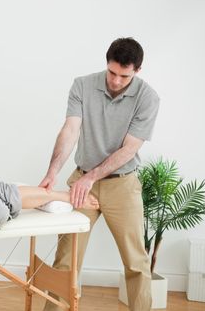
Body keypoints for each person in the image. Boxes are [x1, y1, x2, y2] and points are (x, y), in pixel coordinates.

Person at [39, 37, 159, 311]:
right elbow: (70, 130)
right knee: (66, 260)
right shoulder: (82, 85)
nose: (116, 81)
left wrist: (91, 177)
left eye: (124, 76)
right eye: (112, 72)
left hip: (123, 185)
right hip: (82, 182)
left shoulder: (148, 97)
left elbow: (130, 148)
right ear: (107, 64)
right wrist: (53, 171)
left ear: (137, 71)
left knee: (136, 263)